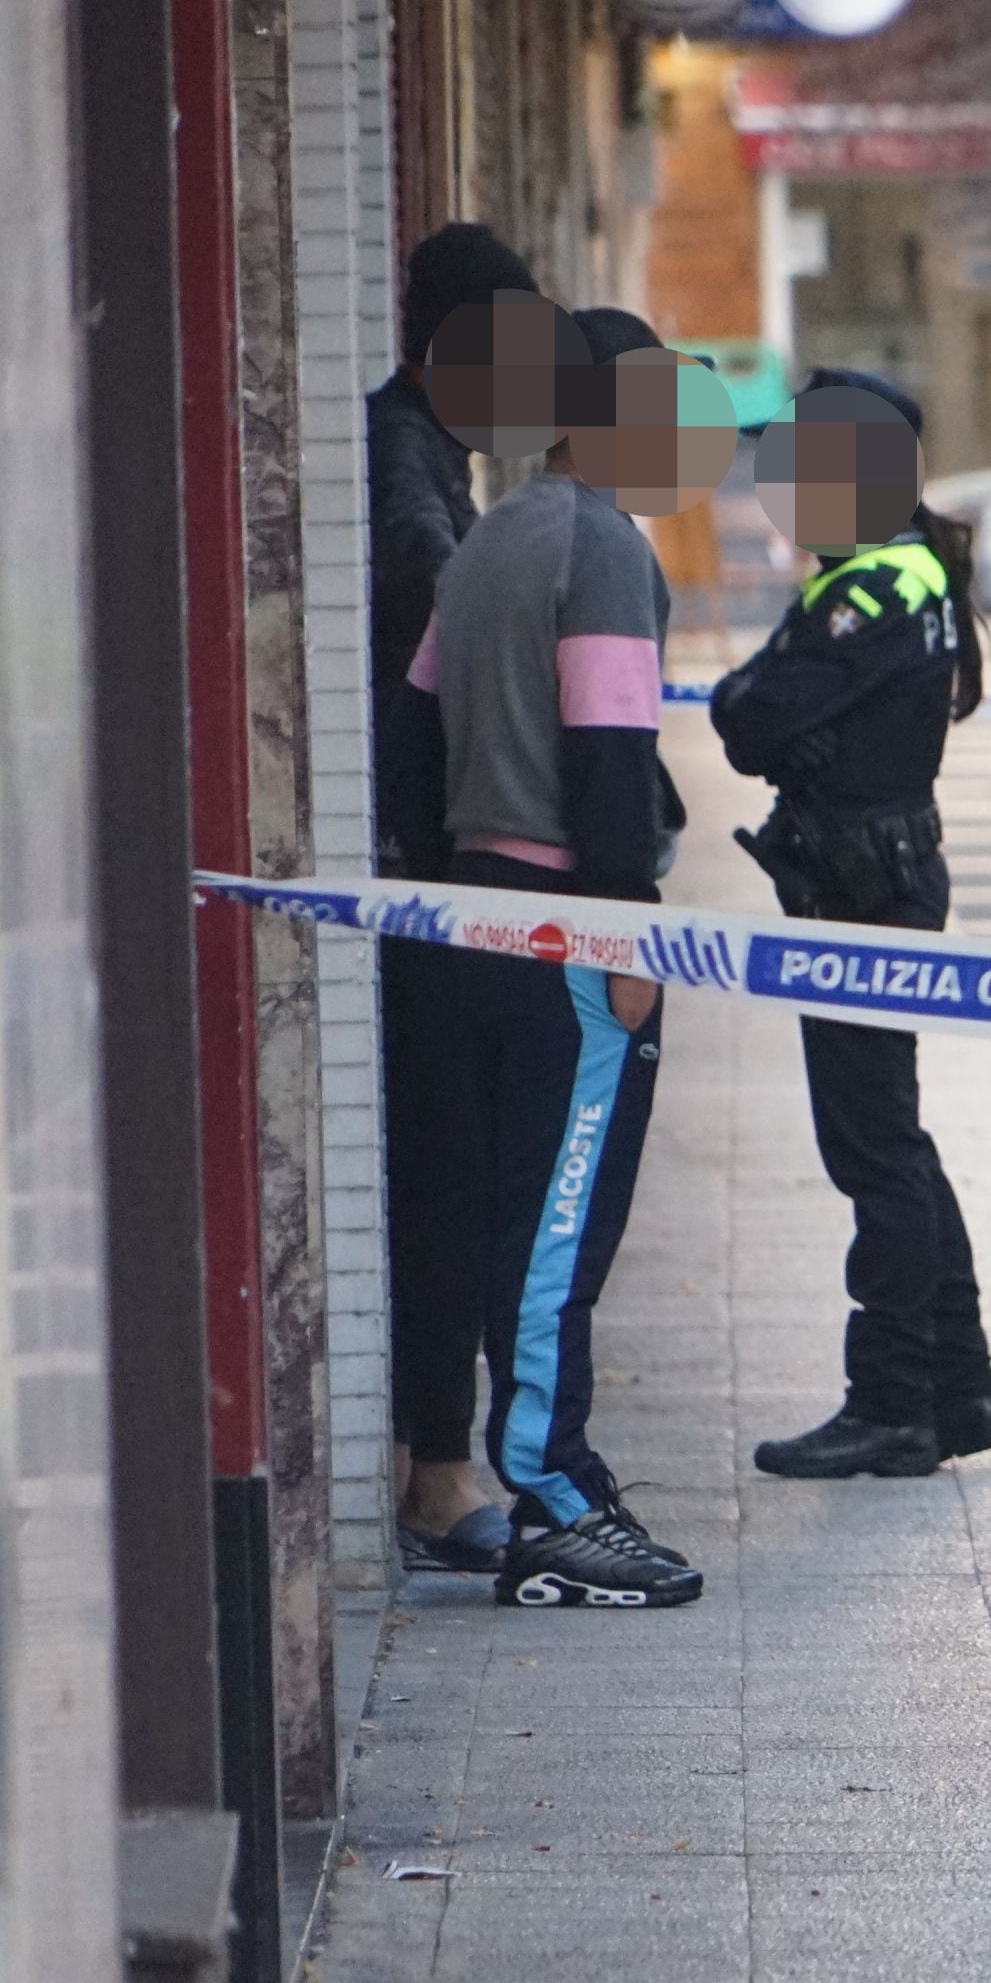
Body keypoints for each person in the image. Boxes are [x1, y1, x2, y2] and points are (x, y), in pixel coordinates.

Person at [379, 305, 700, 1609]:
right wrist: (626, 933)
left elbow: (409, 735)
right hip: (567, 926)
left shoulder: (489, 541)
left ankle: (526, 1466)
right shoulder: (602, 546)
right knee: (558, 1222)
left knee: (489, 1212)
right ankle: (555, 1492)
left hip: (462, 910)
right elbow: (611, 754)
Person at [712, 371, 991, 1481]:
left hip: (860, 894)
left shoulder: (873, 588)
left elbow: (748, 717)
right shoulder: (902, 570)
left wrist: (773, 718)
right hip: (874, 881)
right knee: (892, 1140)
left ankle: (894, 1397)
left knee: (874, 1149)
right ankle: (957, 1383)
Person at [374, 230, 544, 1575]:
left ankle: (444, 1445)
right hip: (422, 877)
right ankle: (437, 1466)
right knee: (446, 1177)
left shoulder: (441, 455)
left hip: (453, 868)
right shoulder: (397, 458)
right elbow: (436, 593)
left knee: (471, 1174)